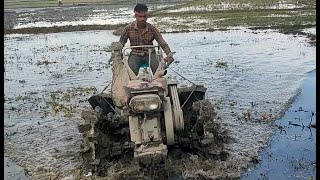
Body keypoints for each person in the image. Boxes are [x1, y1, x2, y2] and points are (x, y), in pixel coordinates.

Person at [119, 3, 174, 75]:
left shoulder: (152, 28)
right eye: (140, 16)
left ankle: (157, 84)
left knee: (159, 71)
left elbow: (162, 42)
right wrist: (118, 55)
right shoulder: (128, 28)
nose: (142, 19)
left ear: (147, 16)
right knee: (130, 73)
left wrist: (169, 54)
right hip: (135, 53)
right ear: (135, 15)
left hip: (150, 53)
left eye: (144, 17)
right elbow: (121, 43)